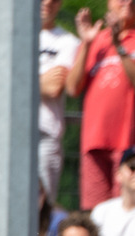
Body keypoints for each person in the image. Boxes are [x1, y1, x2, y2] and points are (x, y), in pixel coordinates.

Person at [66, 0, 135, 210]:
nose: (127, 2)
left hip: (130, 145)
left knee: (129, 209)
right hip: (94, 142)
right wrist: (86, 43)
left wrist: (118, 46)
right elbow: (72, 88)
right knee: (95, 214)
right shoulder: (95, 39)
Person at [39, 0, 81, 202]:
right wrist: (40, 81)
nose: (47, 3)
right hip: (6, 134)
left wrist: (17, 81)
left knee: (42, 210)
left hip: (46, 136)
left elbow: (53, 88)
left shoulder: (68, 41)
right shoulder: (9, 36)